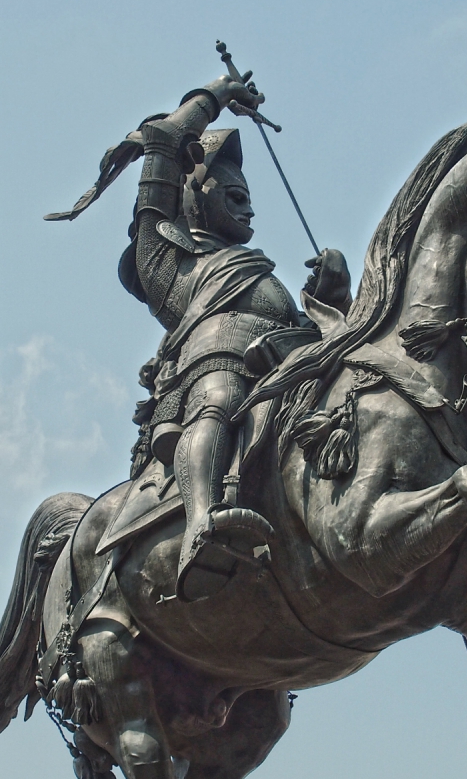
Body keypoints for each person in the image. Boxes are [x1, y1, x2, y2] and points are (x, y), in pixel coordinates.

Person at [119, 75, 350, 602]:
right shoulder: (166, 263)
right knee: (220, 398)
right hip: (213, 371)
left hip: (284, 369)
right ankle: (202, 525)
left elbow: (319, 337)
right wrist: (215, 95)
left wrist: (334, 297)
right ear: (199, 196)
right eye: (237, 196)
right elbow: (162, 137)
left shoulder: (260, 274)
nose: (249, 210)